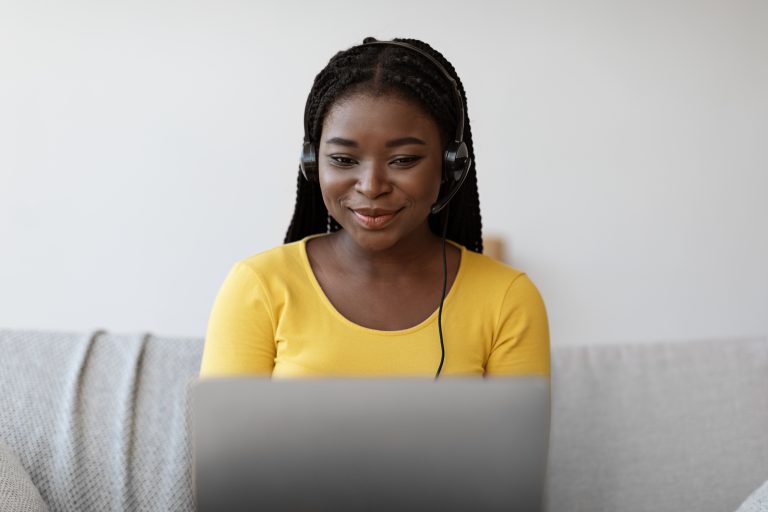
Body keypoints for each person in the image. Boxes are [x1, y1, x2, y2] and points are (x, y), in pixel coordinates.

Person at [199, 37, 550, 378]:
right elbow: (226, 439)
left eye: (403, 159)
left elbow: (518, 440)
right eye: (343, 159)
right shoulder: (258, 286)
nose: (371, 186)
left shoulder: (508, 298)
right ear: (312, 163)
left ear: (450, 166)